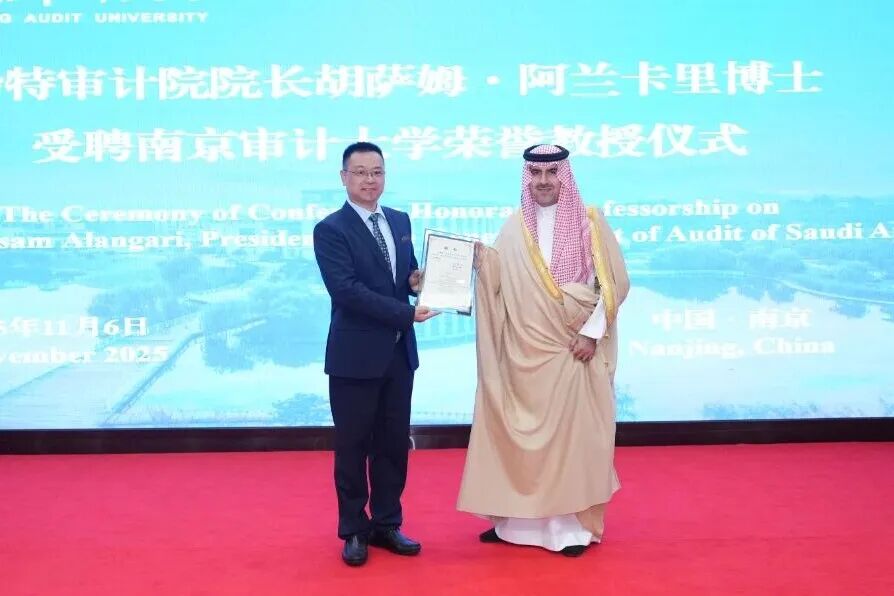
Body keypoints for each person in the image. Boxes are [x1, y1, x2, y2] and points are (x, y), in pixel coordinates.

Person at [457, 144, 630, 556]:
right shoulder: (514, 227)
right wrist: (476, 260)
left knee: (571, 443)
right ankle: (517, 523)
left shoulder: (590, 222)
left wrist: (591, 333)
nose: (544, 181)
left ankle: (567, 528)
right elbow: (497, 278)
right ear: (527, 178)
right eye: (535, 174)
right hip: (524, 356)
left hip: (573, 352)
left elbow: (613, 284)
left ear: (564, 176)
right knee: (522, 441)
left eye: (552, 173)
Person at [313, 141, 438, 567]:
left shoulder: (400, 220)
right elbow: (346, 290)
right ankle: (354, 529)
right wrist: (405, 312)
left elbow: (404, 276)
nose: (370, 180)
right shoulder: (330, 229)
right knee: (353, 446)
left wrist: (419, 282)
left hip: (398, 356)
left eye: (377, 172)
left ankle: (387, 522)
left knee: (392, 445)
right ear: (344, 177)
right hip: (355, 356)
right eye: (361, 172)